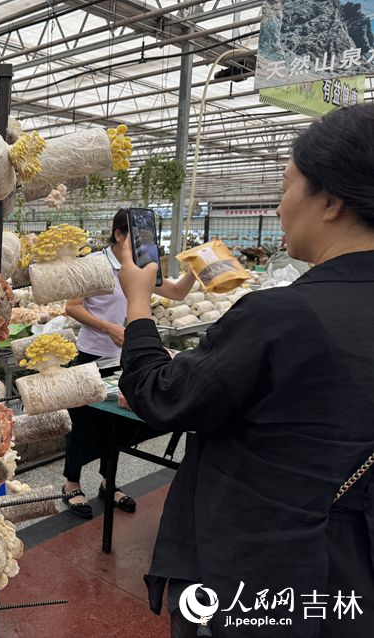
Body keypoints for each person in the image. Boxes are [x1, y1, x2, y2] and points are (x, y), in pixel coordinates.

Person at [117, 103, 374, 637]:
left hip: (262, 571)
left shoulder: (283, 315)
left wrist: (138, 304)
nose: (280, 208)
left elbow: (159, 396)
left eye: (286, 187)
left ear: (330, 201)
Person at [61, 209, 196, 518]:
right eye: (134, 240)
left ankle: (110, 483)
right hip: (93, 357)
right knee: (82, 424)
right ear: (119, 234)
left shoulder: (142, 266)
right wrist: (108, 327)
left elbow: (175, 292)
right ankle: (71, 484)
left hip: (125, 359)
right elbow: (72, 308)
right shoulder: (93, 265)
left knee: (118, 425)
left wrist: (195, 269)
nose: (140, 247)